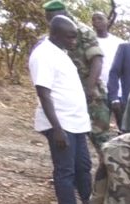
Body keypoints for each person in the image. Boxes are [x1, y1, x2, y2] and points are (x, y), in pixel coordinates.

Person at [29, 15, 92, 204]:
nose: (74, 41)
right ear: (55, 34)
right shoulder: (43, 54)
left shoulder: (61, 52)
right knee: (65, 170)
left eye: (76, 37)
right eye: (70, 37)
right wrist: (56, 129)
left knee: (83, 166)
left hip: (76, 123)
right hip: (61, 123)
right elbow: (43, 93)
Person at [43, 0, 113, 158]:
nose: (51, 23)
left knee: (101, 139)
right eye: (49, 20)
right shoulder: (51, 38)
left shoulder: (83, 31)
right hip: (68, 97)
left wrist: (89, 89)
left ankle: (113, 177)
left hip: (91, 94)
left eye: (54, 18)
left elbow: (97, 60)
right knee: (73, 140)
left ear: (65, 15)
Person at [91, 11, 120, 95]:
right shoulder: (89, 42)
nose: (96, 21)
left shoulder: (118, 43)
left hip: (116, 90)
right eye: (94, 19)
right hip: (97, 90)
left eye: (100, 18)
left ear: (107, 21)